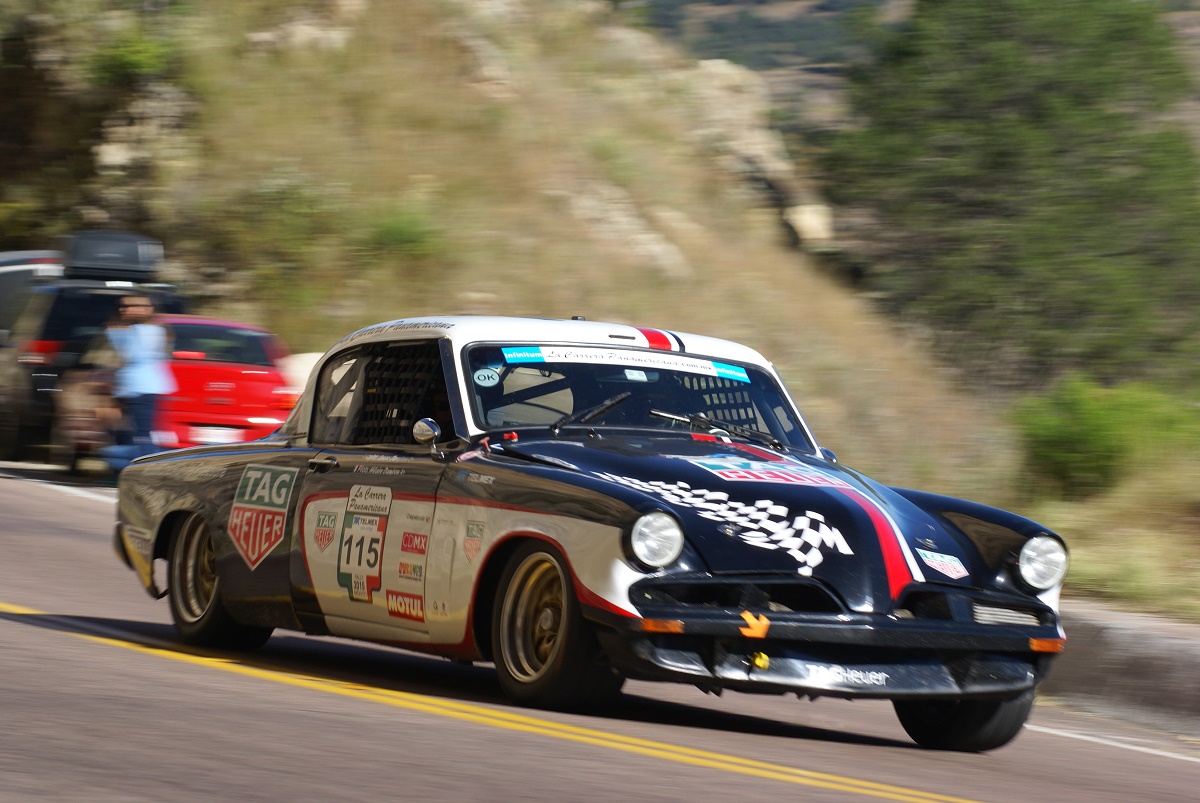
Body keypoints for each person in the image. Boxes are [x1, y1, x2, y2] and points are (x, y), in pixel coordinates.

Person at [99, 292, 177, 473]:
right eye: (123, 306)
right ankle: (127, 471)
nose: (125, 310)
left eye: (132, 306)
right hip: (135, 388)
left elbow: (132, 357)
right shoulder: (149, 330)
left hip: (142, 389)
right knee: (129, 434)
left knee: (142, 436)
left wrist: (116, 334)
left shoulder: (145, 331)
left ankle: (146, 473)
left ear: (147, 309)